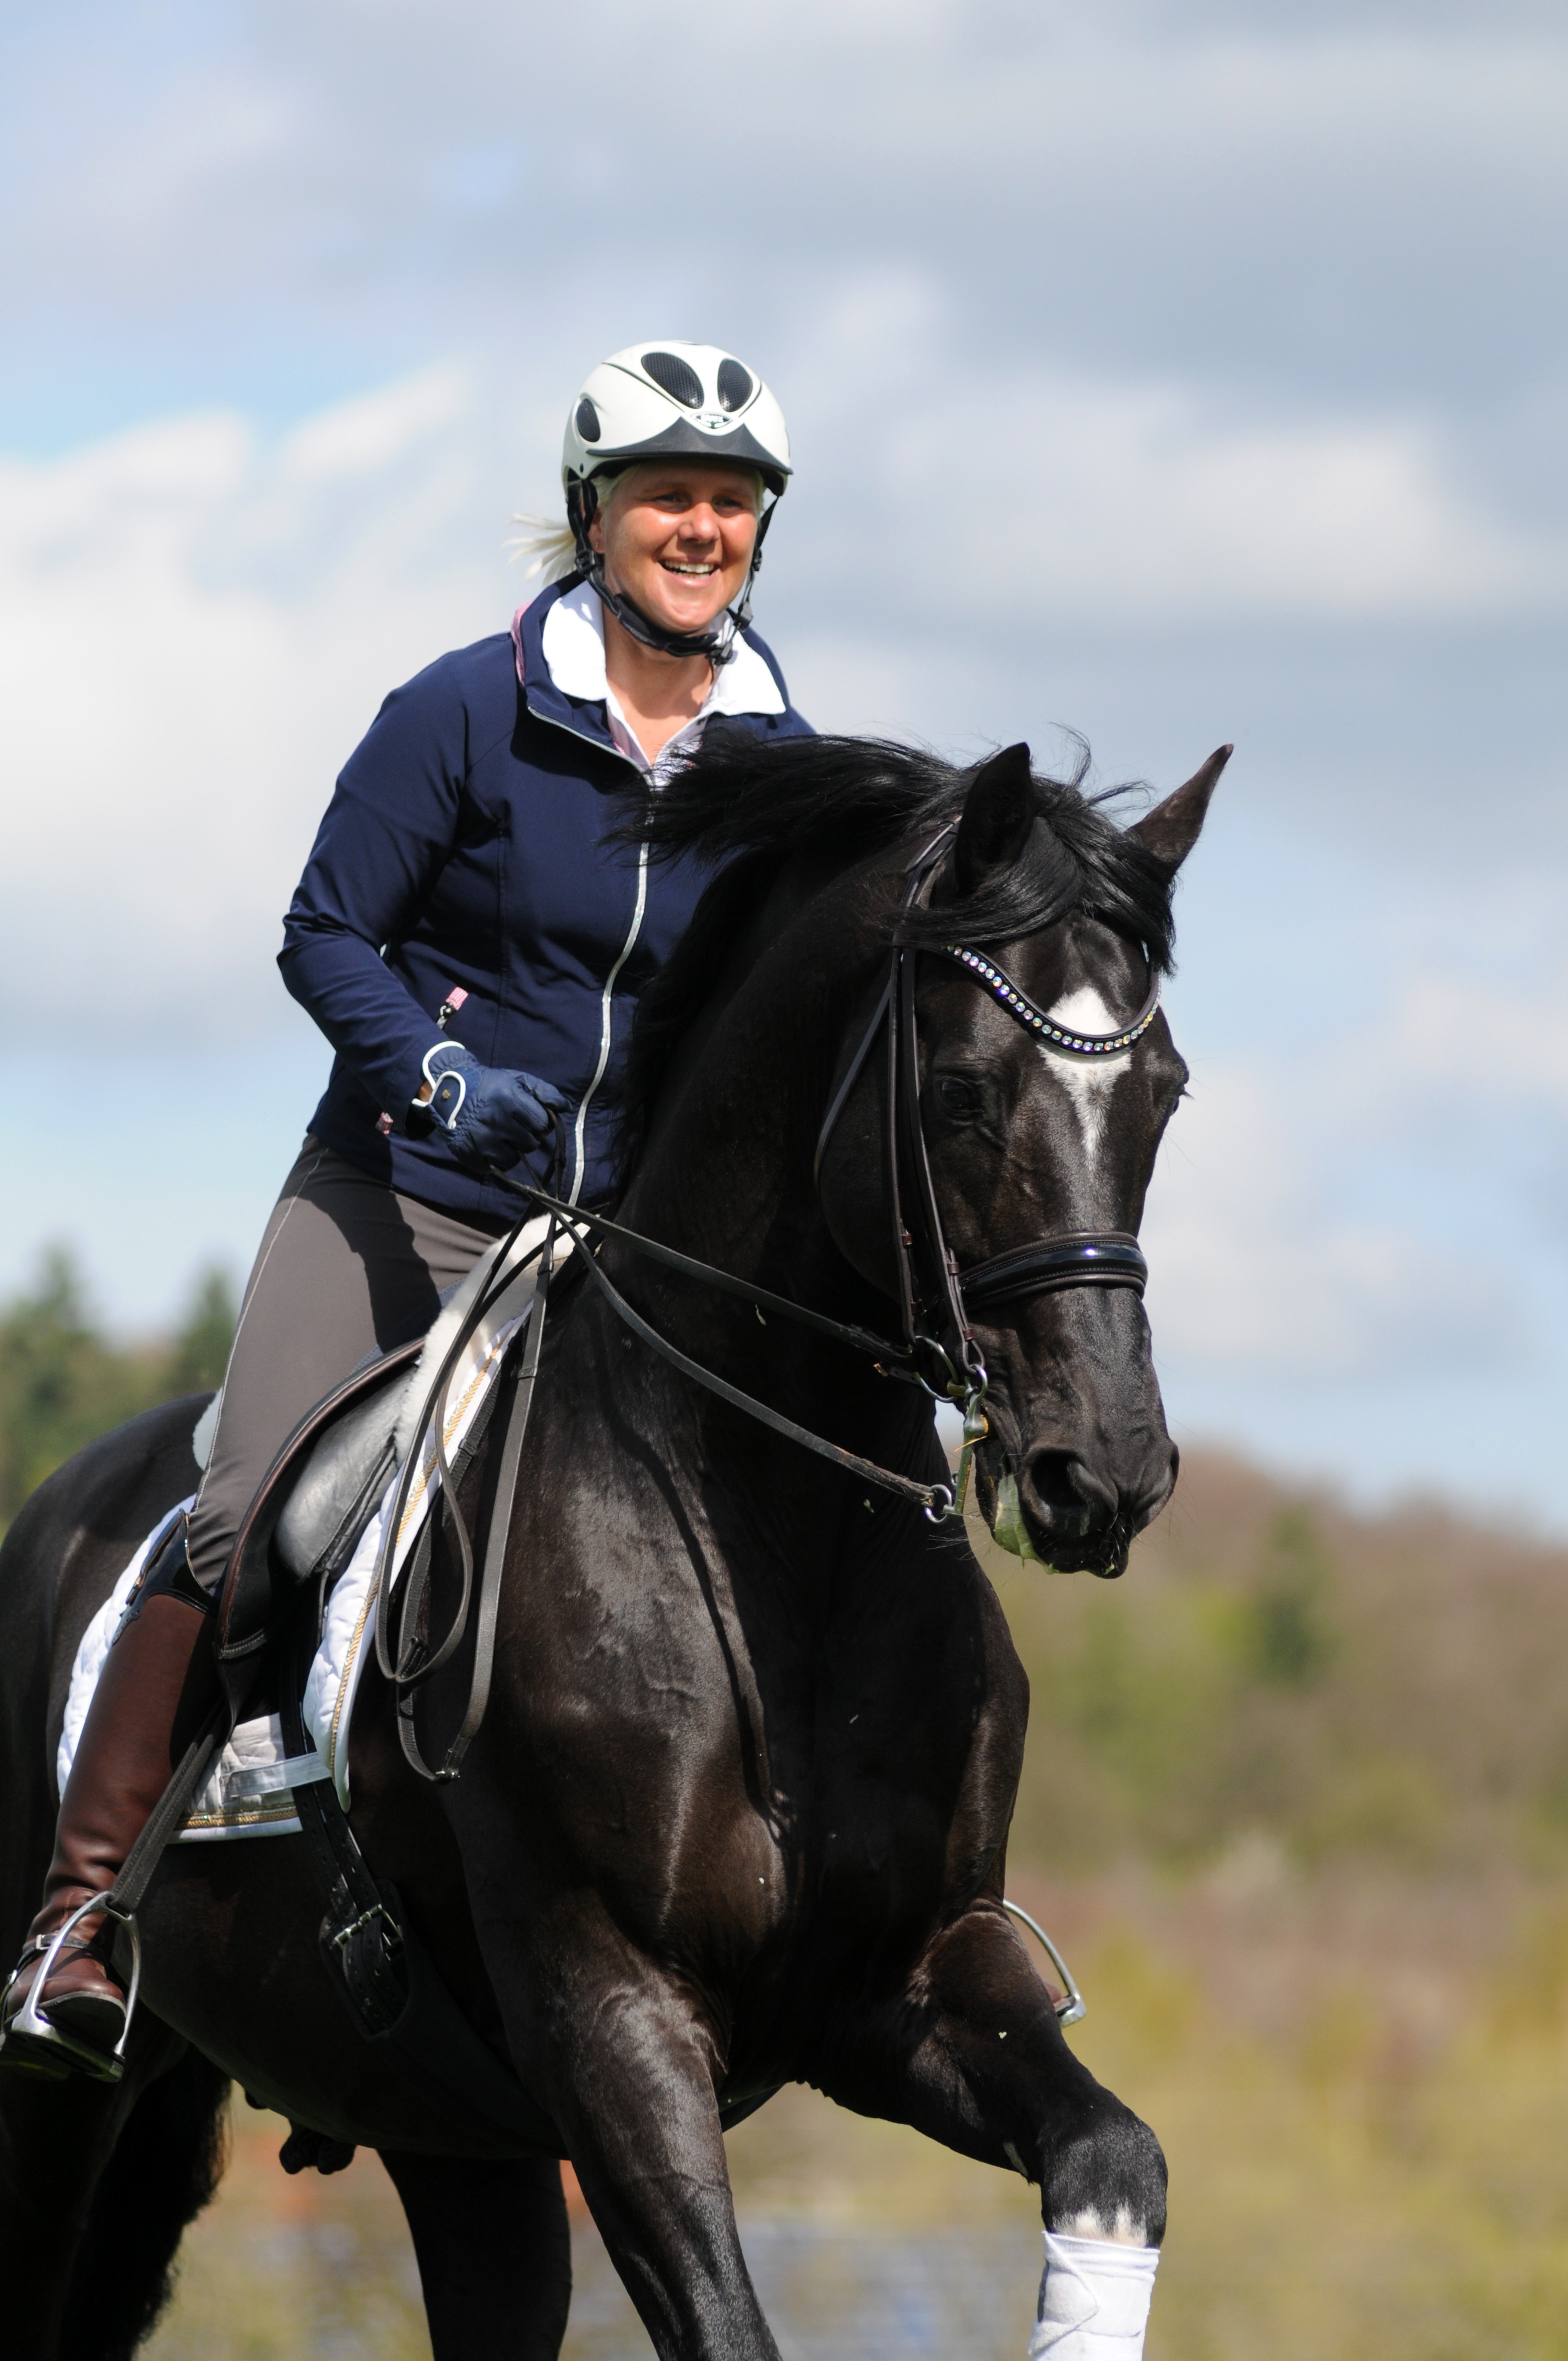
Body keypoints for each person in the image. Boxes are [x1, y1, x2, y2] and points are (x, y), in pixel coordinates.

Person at [2, 342, 813, 2078]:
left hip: (620, 1239)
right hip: (408, 1188)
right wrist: (442, 1084)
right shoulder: (465, 704)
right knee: (247, 1510)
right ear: (596, 516)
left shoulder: (779, 760)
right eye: (670, 493)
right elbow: (324, 931)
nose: (701, 525)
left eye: (731, 502)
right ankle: (82, 1913)